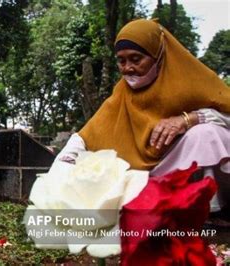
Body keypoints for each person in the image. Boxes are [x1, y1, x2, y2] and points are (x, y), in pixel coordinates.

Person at [56, 19, 230, 216]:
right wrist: (61, 169)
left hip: (186, 167)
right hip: (148, 176)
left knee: (207, 134)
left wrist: (188, 119)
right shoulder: (122, 94)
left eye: (136, 59)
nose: (128, 68)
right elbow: (87, 136)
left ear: (158, 55)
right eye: (122, 61)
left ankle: (212, 208)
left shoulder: (195, 81)